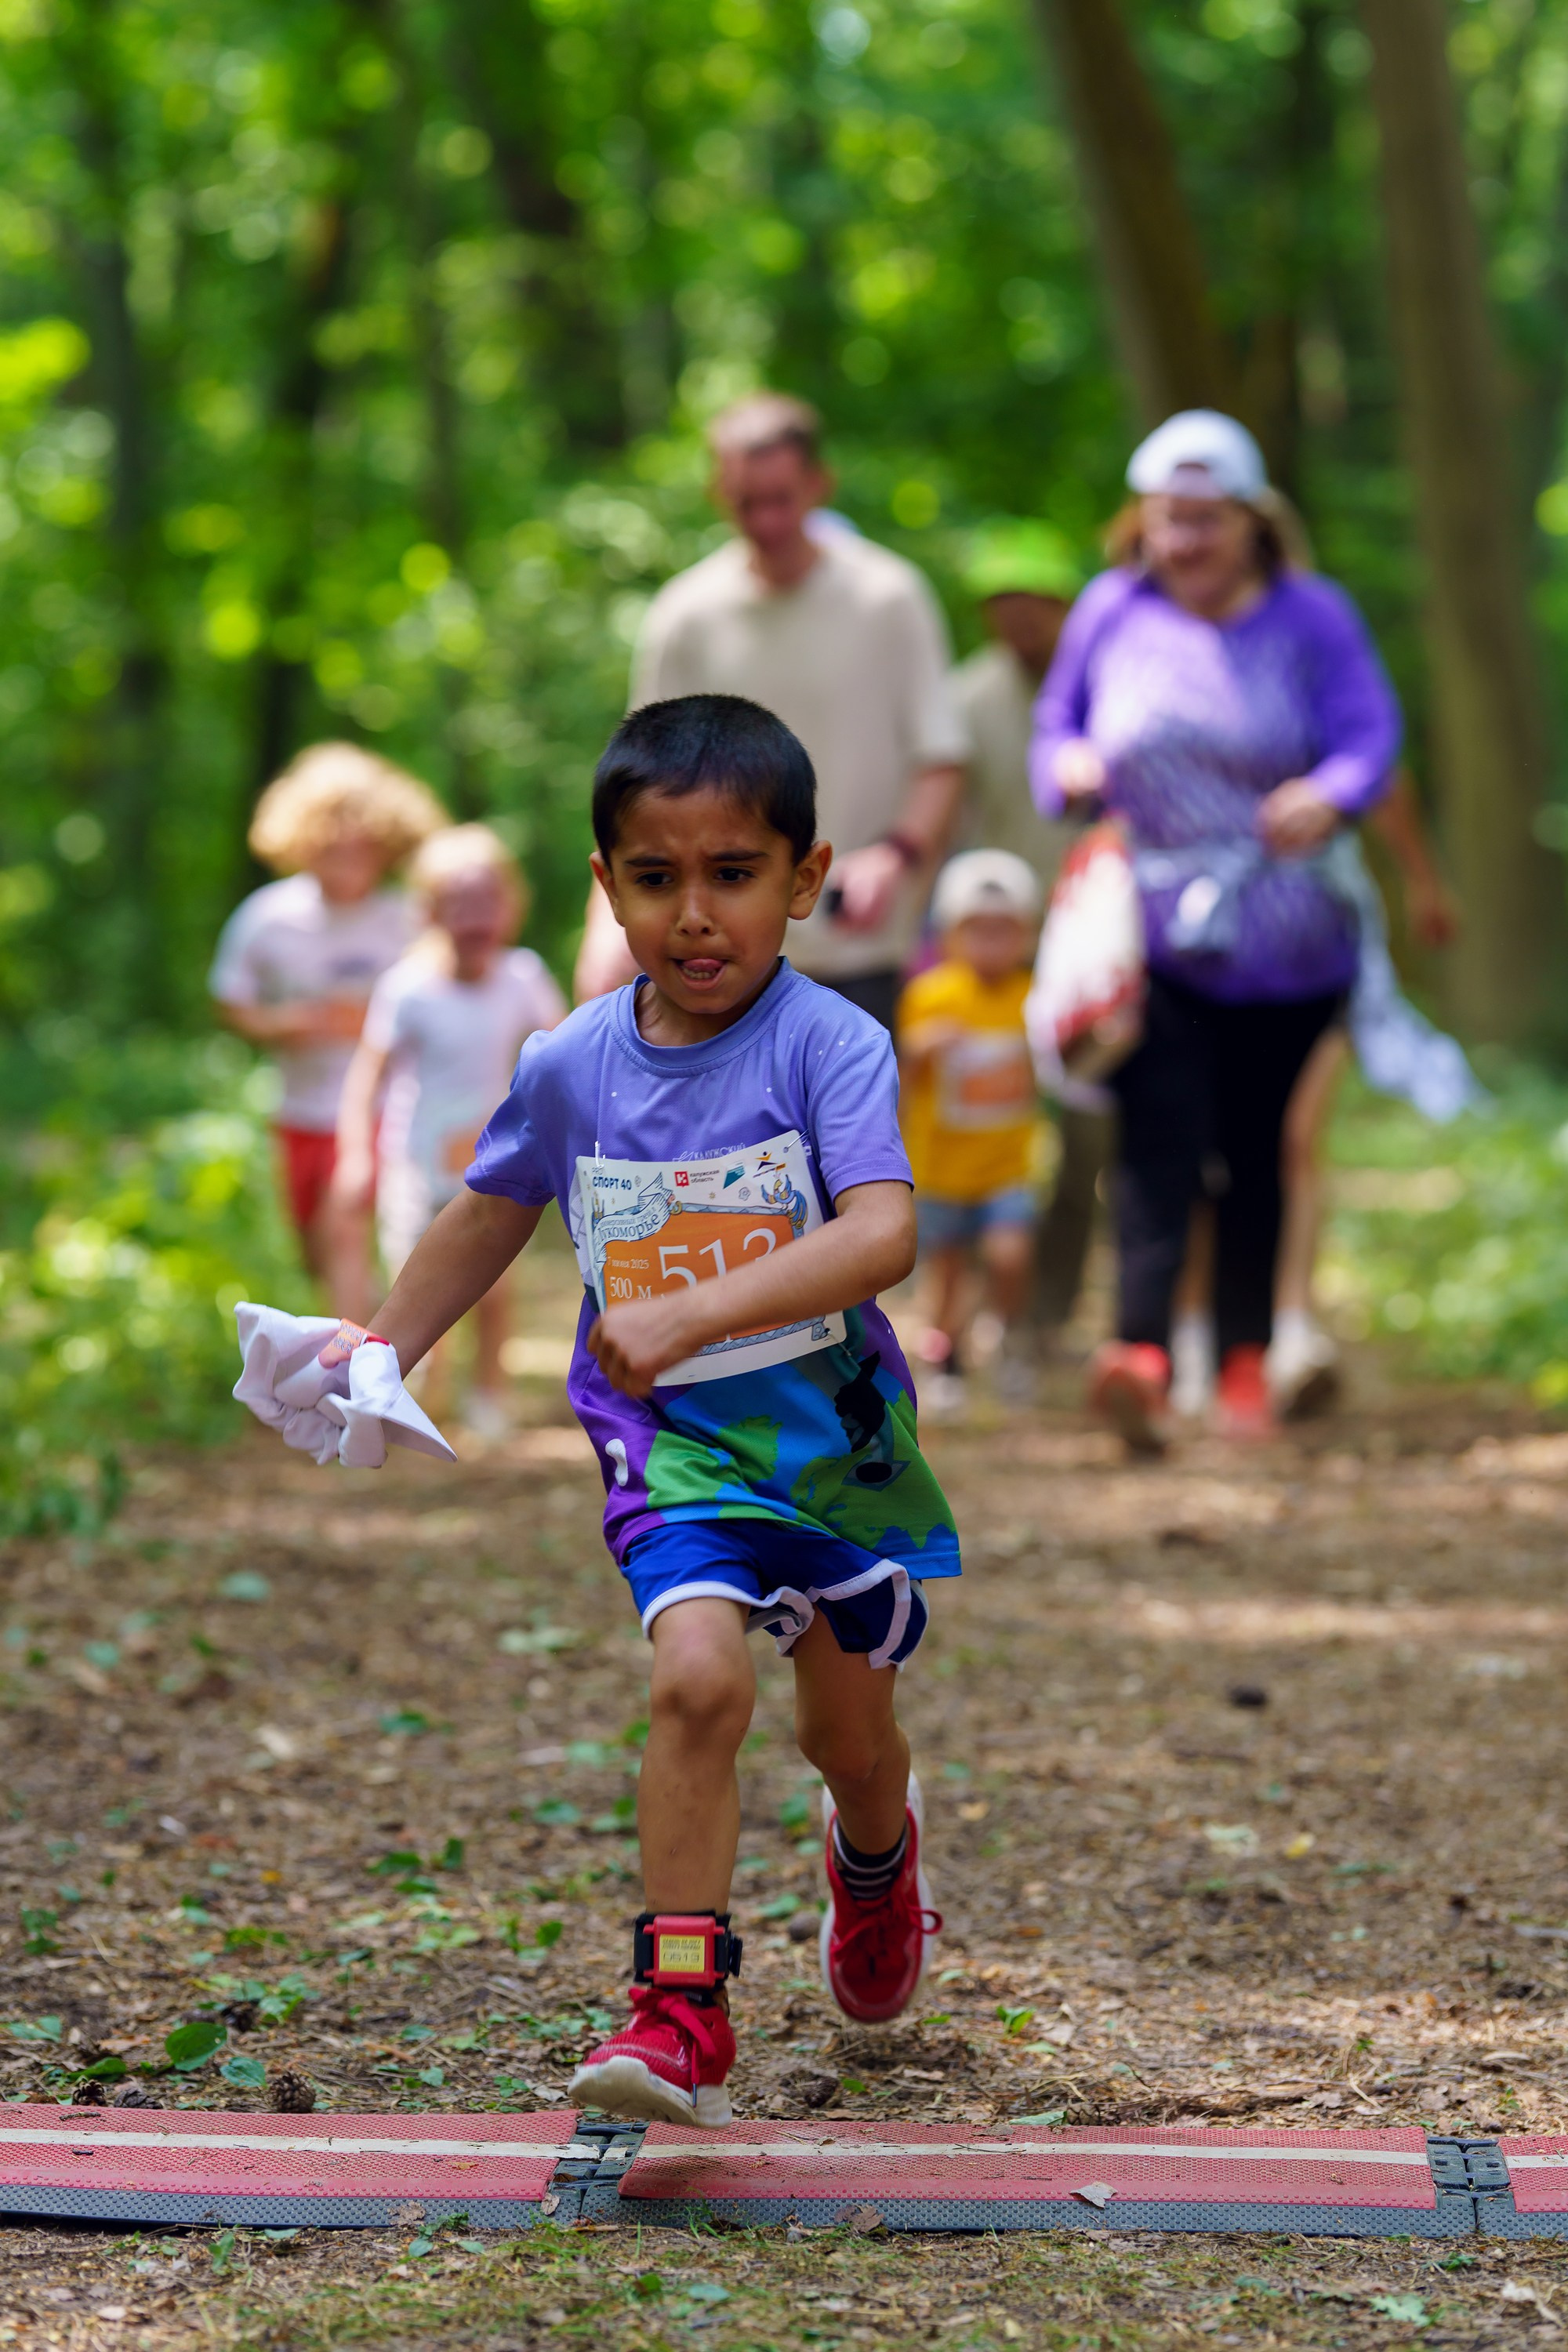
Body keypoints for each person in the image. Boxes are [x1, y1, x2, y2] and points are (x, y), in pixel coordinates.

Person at [257, 694, 958, 2129]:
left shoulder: (830, 1045)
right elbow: (488, 1209)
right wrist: (380, 1347)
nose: (696, 916)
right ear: (606, 887)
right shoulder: (575, 1059)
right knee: (698, 1681)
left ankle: (875, 1860)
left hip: (834, 1447)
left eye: (734, 875)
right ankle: (679, 2009)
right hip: (674, 1446)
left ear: (807, 881)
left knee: (849, 1739)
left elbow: (881, 1233)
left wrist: (696, 1309)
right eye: (656, 879)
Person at [1031, 409, 1400, 1448]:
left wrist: (1331, 792)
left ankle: (1244, 1361)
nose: (1184, 541)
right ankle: (1140, 1354)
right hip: (1152, 937)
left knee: (1254, 1149)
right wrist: (1064, 767)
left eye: (1205, 520)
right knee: (1158, 1143)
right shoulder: (1112, 610)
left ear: (1251, 521)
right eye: (1166, 519)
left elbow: (1372, 734)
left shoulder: (1311, 616)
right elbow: (1056, 722)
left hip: (1290, 942)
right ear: (1141, 522)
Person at [573, 392, 968, 1029]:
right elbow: (634, 788)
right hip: (716, 957)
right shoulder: (687, 615)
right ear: (718, 492)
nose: (766, 519)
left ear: (819, 484)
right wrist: (603, 927)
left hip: (859, 949)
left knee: (845, 1131)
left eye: (781, 498)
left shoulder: (887, 597)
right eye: (745, 501)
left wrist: (895, 856)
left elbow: (942, 760)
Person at [1170, 767, 1468, 1421]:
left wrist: (1423, 883)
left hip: (1323, 956)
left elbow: (1385, 775)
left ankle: (1291, 1330)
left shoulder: (1331, 682)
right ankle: (1189, 1335)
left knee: (1295, 1139)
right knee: (1203, 1151)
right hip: (1205, 955)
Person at [330, 824, 565, 1440]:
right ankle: (415, 1396)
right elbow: (367, 1077)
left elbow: (566, 1054)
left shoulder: (522, 978)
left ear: (511, 908)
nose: (475, 916)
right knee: (419, 1285)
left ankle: (489, 1397)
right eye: (458, 903)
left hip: (492, 1167)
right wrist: (356, 1155)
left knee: (493, 1290)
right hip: (413, 1166)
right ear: (429, 912)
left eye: (488, 900)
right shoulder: (408, 988)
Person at [209, 743, 446, 1319]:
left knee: (355, 1238)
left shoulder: (411, 918)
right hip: (301, 1111)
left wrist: (376, 1019)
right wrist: (287, 1024)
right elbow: (230, 1001)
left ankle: (362, 1376)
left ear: (387, 842)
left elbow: (448, 999)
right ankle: (363, 1330)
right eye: (331, 842)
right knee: (317, 1251)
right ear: (302, 840)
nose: (347, 855)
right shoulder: (268, 916)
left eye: (362, 843)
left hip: (390, 1111)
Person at [955, 520, 1109, 1345]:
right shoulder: (966, 698)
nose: (1017, 620)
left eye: (1033, 603)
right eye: (1000, 604)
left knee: (1087, 1129)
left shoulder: (1109, 686)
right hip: (995, 949)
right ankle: (994, 1304)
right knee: (988, 1125)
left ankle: (1055, 1301)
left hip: (1094, 947)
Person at [896, 850, 1042, 1413]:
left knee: (1010, 1254)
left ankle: (1006, 1334)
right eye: (976, 931)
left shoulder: (1033, 997)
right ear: (951, 933)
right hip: (942, 1170)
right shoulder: (932, 995)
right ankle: (947, 1356)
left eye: (1004, 932)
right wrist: (922, 1046)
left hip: (1007, 1167)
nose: (990, 944)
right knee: (947, 1272)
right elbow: (901, 1069)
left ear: (1026, 934)